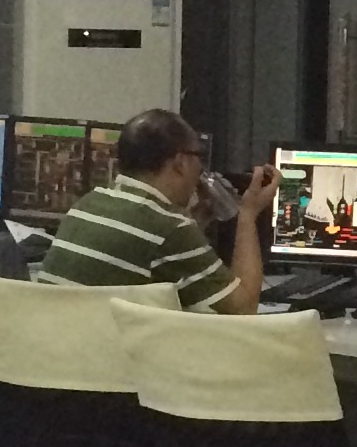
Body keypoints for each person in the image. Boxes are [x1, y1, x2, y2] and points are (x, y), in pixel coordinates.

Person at [37, 109, 276, 312]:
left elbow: (153, 255)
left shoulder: (87, 204)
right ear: (180, 162)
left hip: (65, 356)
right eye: (198, 156)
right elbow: (243, 307)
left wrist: (195, 224)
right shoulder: (169, 227)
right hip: (113, 363)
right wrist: (247, 215)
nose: (201, 168)